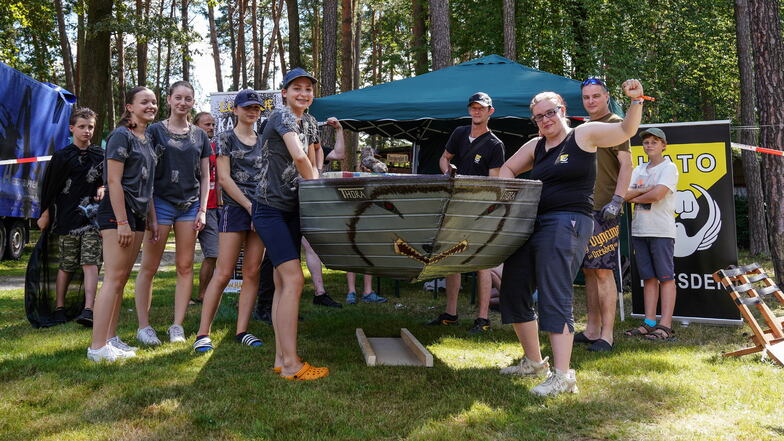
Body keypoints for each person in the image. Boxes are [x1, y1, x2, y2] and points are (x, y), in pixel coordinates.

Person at [498, 80, 644, 396]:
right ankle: (535, 363)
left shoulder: (583, 134)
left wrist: (636, 102)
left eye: (550, 113)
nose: (545, 120)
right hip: (532, 223)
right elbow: (506, 170)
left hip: (569, 223)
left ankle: (563, 376)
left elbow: (625, 132)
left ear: (562, 110)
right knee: (514, 286)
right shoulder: (535, 146)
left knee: (554, 291)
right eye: (539, 116)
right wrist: (513, 196)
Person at [253, 68, 328, 380]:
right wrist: (321, 194)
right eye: (297, 88)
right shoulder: (282, 116)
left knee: (284, 282)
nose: (304, 93)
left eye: (308, 89)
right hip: (269, 208)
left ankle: (280, 357)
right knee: (295, 280)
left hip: (293, 208)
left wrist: (315, 185)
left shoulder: (310, 122)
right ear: (284, 92)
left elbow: (313, 157)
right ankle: (292, 365)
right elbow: (299, 158)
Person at [133, 81, 211, 345]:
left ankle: (177, 325)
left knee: (185, 266)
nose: (183, 103)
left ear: (193, 102)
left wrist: (202, 210)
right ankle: (144, 326)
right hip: (161, 203)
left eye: (188, 98)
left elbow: (205, 175)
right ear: (169, 99)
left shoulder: (200, 135)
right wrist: (151, 213)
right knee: (150, 266)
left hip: (189, 206)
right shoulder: (154, 131)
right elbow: (148, 173)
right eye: (178, 97)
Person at [87, 86, 159, 362]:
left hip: (138, 215)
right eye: (144, 102)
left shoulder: (147, 138)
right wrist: (122, 222)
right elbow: (114, 181)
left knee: (120, 280)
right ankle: (97, 348)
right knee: (113, 280)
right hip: (118, 215)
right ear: (129, 106)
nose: (151, 105)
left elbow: (147, 183)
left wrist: (150, 217)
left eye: (153, 102)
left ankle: (110, 339)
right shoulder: (121, 135)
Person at [193, 89, 267, 352]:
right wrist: (249, 207)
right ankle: (203, 334)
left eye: (256, 108)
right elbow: (224, 179)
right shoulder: (224, 138)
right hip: (236, 209)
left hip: (262, 209)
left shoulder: (264, 139)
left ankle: (242, 330)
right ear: (235, 110)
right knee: (223, 272)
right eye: (247, 107)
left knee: (252, 272)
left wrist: (262, 209)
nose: (252, 111)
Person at [427, 92, 505, 333]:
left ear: (490, 111)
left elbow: (495, 184)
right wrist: (447, 170)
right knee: (451, 259)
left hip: (480, 210)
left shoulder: (495, 145)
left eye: (481, 108)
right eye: (473, 108)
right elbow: (444, 158)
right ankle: (451, 313)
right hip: (454, 206)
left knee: (481, 263)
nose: (476, 112)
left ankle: (482, 319)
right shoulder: (459, 133)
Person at [575, 78, 633, 352]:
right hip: (584, 207)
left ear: (606, 97)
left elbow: (626, 164)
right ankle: (592, 329)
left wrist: (618, 200)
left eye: (596, 96)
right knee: (588, 271)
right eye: (586, 97)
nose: (591, 101)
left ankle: (607, 336)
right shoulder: (584, 128)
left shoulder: (616, 123)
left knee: (602, 272)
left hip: (605, 210)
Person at [37, 107, 104, 327]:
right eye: (82, 127)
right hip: (66, 219)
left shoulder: (99, 156)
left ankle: (89, 309)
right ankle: (59, 307)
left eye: (90, 127)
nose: (86, 131)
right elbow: (50, 187)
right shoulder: (62, 156)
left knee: (91, 262)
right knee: (66, 264)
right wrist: (45, 212)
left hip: (92, 220)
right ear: (72, 128)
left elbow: (109, 180)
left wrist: (104, 187)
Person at [623, 128, 678, 341]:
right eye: (646, 142)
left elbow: (657, 195)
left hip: (661, 231)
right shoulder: (639, 170)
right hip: (640, 230)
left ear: (663, 145)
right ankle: (649, 322)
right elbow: (625, 195)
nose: (649, 145)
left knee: (665, 278)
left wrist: (640, 192)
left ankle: (665, 324)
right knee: (649, 278)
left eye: (655, 141)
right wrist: (642, 191)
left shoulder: (669, 168)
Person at [192, 111, 219, 305]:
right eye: (206, 124)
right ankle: (191, 295)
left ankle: (203, 294)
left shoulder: (215, 148)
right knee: (184, 260)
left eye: (212, 125)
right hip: (190, 208)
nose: (210, 128)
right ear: (196, 126)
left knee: (214, 254)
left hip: (212, 207)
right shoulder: (190, 147)